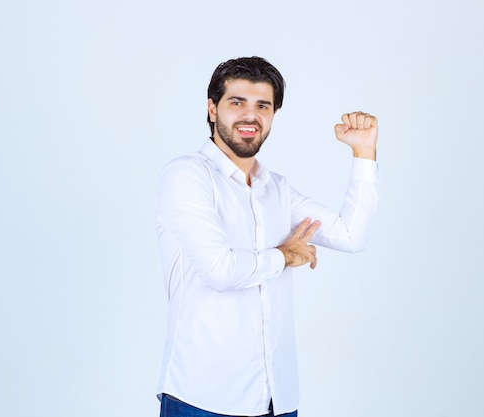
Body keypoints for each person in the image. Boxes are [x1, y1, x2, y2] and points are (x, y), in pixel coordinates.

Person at [155, 56, 379, 417]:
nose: (251, 115)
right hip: (203, 399)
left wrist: (364, 152)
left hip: (277, 398)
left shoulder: (277, 190)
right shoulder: (187, 177)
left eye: (263, 105)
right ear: (212, 109)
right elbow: (220, 270)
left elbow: (351, 236)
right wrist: (286, 256)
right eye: (236, 102)